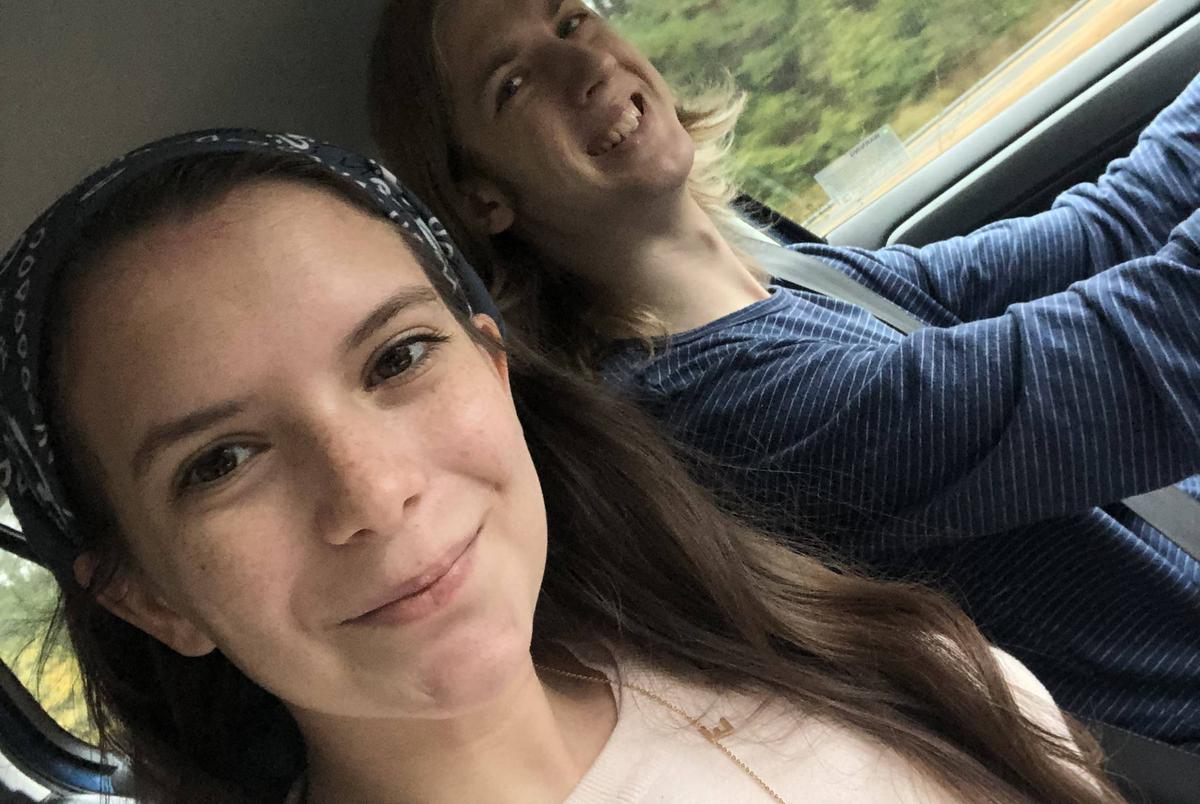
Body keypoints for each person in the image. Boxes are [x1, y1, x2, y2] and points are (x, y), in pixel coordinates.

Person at [0, 131, 1123, 803]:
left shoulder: (883, 658)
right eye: (222, 460)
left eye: (398, 357)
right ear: (149, 594)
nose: (373, 492)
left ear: (494, 373)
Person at [367, 0, 1200, 748]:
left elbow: (1104, 230)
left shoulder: (788, 277)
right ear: (484, 200)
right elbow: (1147, 359)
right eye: (513, 83)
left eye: (572, 20)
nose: (582, 66)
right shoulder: (710, 412)